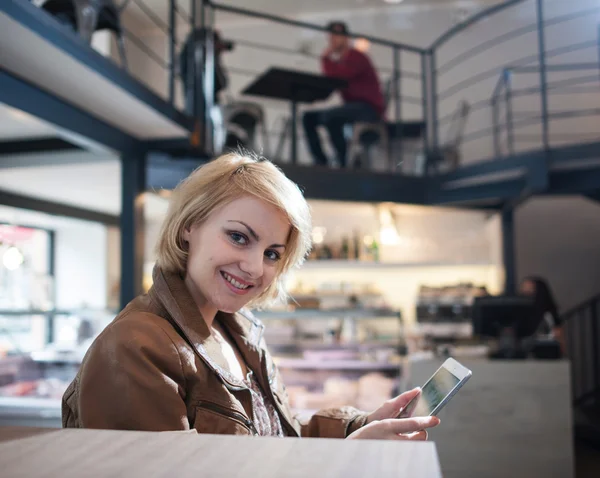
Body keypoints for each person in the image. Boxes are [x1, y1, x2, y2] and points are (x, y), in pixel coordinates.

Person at [62, 153, 439, 440]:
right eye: (239, 237)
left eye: (272, 253)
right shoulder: (135, 346)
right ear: (189, 226)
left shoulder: (236, 331)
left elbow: (273, 438)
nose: (256, 268)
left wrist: (359, 427)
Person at [303, 21, 384, 168]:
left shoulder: (356, 57)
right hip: (353, 108)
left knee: (331, 117)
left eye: (337, 35)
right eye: (331, 36)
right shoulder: (343, 61)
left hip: (368, 108)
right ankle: (321, 160)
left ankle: (342, 161)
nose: (333, 39)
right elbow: (335, 79)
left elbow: (337, 77)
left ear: (346, 37)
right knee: (309, 118)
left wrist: (325, 58)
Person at [180, 28, 233, 110]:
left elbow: (222, 83)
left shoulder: (212, 59)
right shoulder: (190, 58)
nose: (219, 50)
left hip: (208, 100)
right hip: (198, 101)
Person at [519, 276, 566, 356]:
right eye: (523, 290)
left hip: (546, 355)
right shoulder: (520, 314)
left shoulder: (548, 315)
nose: (525, 293)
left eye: (530, 290)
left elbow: (558, 337)